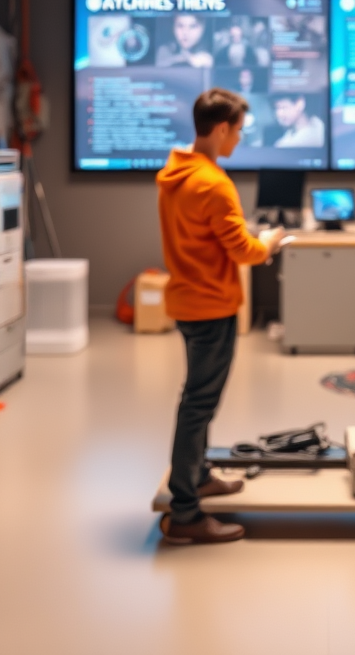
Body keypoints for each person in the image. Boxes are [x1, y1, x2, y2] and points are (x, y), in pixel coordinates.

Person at [156, 88, 285, 544]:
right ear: (223, 128)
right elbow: (243, 251)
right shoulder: (214, 183)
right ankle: (185, 514)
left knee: (197, 398)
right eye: (239, 131)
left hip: (187, 301)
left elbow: (207, 236)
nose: (240, 139)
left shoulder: (176, 173)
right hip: (212, 306)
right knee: (199, 405)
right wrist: (269, 242)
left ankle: (199, 475)